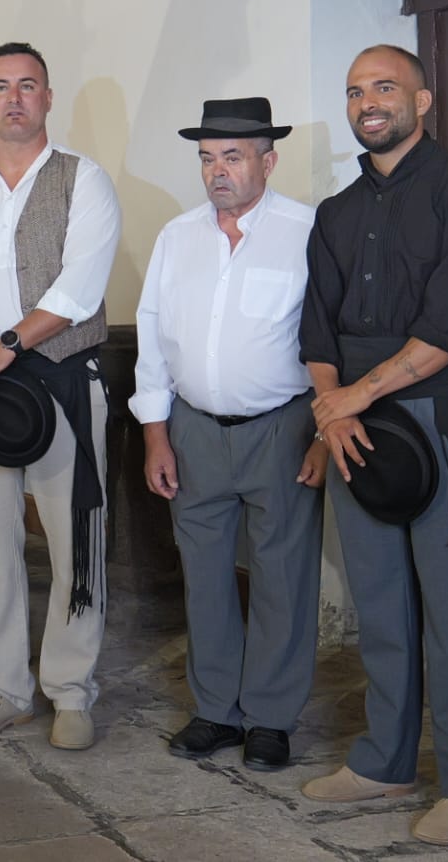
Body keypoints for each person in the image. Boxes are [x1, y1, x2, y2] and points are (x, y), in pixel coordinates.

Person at [298, 45, 448, 847]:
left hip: (437, 420)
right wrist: (333, 406)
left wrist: (351, 397)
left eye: (385, 87)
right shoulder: (336, 213)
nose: (368, 101)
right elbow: (317, 328)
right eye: (356, 91)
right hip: (353, 426)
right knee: (379, 603)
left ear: (424, 101)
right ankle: (383, 761)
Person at [0, 42, 120, 751]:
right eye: (0, 86)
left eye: (27, 85)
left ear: (46, 98)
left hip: (59, 374)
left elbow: (79, 288)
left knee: (76, 543)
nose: (13, 98)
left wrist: (1, 349)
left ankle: (70, 692)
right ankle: (4, 687)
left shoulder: (83, 179)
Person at [132, 99, 328, 772]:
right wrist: (156, 436)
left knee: (282, 575)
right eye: (208, 158)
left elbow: (334, 342)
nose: (218, 171)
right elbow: (154, 340)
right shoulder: (177, 237)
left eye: (234, 157)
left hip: (283, 425)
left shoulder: (308, 231)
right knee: (205, 575)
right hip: (192, 429)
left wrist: (326, 436)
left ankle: (271, 718)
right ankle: (216, 711)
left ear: (267, 161)